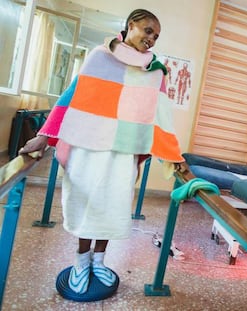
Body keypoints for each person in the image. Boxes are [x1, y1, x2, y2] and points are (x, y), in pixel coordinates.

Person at [19, 9, 183, 295]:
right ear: (131, 25)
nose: (152, 39)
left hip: (124, 151)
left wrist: (174, 157)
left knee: (113, 205)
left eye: (156, 36)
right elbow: (71, 96)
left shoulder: (155, 71)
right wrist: (44, 137)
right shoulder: (98, 56)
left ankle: (99, 261)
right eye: (147, 31)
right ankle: (81, 261)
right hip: (89, 145)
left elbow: (161, 117)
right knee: (89, 202)